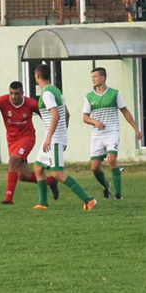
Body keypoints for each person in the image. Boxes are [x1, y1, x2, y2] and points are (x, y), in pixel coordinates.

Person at [0, 82, 59, 205]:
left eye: (16, 94)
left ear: (22, 94)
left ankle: (8, 199)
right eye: (11, 93)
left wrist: (53, 132)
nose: (13, 96)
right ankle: (51, 181)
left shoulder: (31, 103)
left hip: (27, 138)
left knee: (13, 161)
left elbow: (47, 115)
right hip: (12, 140)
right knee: (23, 175)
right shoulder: (2, 101)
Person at [33, 64, 96, 210]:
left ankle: (88, 199)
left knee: (57, 173)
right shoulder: (56, 90)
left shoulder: (47, 94)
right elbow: (67, 114)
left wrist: (51, 137)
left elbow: (56, 115)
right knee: (38, 168)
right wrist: (63, 135)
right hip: (55, 137)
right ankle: (43, 203)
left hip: (53, 139)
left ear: (37, 76)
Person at [82, 67, 142, 199]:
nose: (93, 79)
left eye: (95, 76)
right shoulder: (89, 96)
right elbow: (85, 117)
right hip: (97, 135)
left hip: (112, 132)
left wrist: (136, 129)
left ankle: (118, 194)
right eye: (92, 77)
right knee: (95, 167)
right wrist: (95, 122)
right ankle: (106, 185)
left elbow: (125, 112)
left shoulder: (115, 94)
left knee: (112, 159)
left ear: (103, 77)